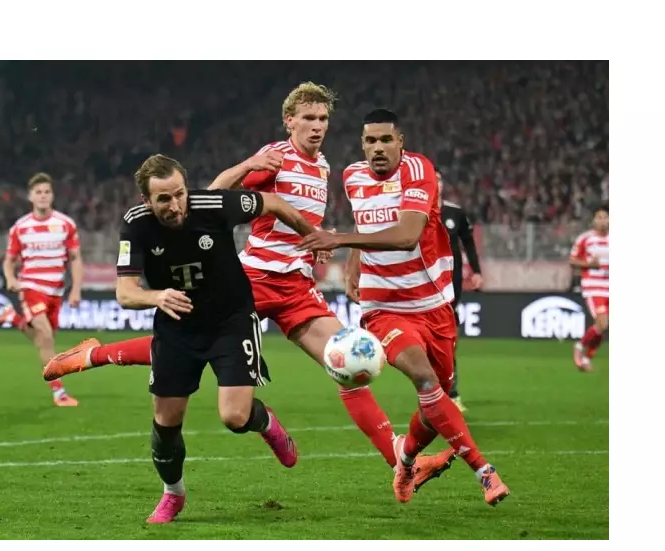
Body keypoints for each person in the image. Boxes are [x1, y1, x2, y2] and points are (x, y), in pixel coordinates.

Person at [44, 83, 455, 491]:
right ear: (289, 121)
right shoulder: (276, 157)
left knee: (345, 364)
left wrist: (316, 242)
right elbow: (212, 196)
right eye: (308, 118)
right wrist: (249, 164)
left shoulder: (323, 166)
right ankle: (93, 354)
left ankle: (400, 463)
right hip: (253, 280)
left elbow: (299, 222)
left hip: (297, 288)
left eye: (323, 118)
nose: (317, 126)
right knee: (187, 340)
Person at [299, 108, 510, 506]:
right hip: (383, 307)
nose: (377, 148)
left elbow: (407, 235)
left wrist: (339, 241)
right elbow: (364, 224)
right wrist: (353, 267)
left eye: (385, 139)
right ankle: (484, 471)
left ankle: (408, 462)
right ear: (362, 145)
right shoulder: (352, 175)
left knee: (434, 402)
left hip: (433, 304)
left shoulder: (418, 170)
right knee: (425, 380)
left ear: (400, 142)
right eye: (370, 141)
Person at [121, 154, 316, 524]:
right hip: (177, 327)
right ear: (146, 200)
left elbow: (272, 202)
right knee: (165, 423)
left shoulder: (213, 205)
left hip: (231, 321)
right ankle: (173, 493)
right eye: (163, 199)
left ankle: (266, 422)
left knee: (234, 416)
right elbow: (125, 291)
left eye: (180, 194)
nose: (175, 205)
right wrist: (157, 296)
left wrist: (311, 236)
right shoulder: (136, 224)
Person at [0, 172, 83, 407]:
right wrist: (10, 278)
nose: (43, 196)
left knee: (45, 341)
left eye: (47, 192)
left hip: (56, 291)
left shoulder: (66, 224)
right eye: (38, 192)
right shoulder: (20, 227)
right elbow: (9, 260)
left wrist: (76, 289)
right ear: (30, 197)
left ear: (52, 195)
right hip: (31, 287)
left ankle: (13, 319)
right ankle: (59, 393)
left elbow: (76, 258)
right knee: (45, 336)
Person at [438, 171, 483, 413]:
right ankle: (432, 392)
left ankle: (452, 393)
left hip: (450, 286)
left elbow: (468, 243)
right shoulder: (413, 211)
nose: (435, 183)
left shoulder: (454, 212)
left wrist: (476, 271)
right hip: (421, 284)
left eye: (438, 179)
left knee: (449, 339)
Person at [569, 205, 609, 372]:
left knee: (601, 328)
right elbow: (572, 261)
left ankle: (586, 358)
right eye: (599, 217)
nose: (603, 221)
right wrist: (589, 265)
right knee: (602, 323)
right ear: (593, 221)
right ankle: (579, 347)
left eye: (606, 217)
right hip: (594, 287)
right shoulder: (585, 239)